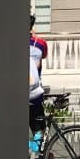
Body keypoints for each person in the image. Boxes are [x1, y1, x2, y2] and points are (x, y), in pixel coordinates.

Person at [29, 14, 48, 148]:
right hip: (35, 94)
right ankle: (42, 154)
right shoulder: (40, 43)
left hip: (17, 95)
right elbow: (43, 56)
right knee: (38, 132)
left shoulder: (12, 43)